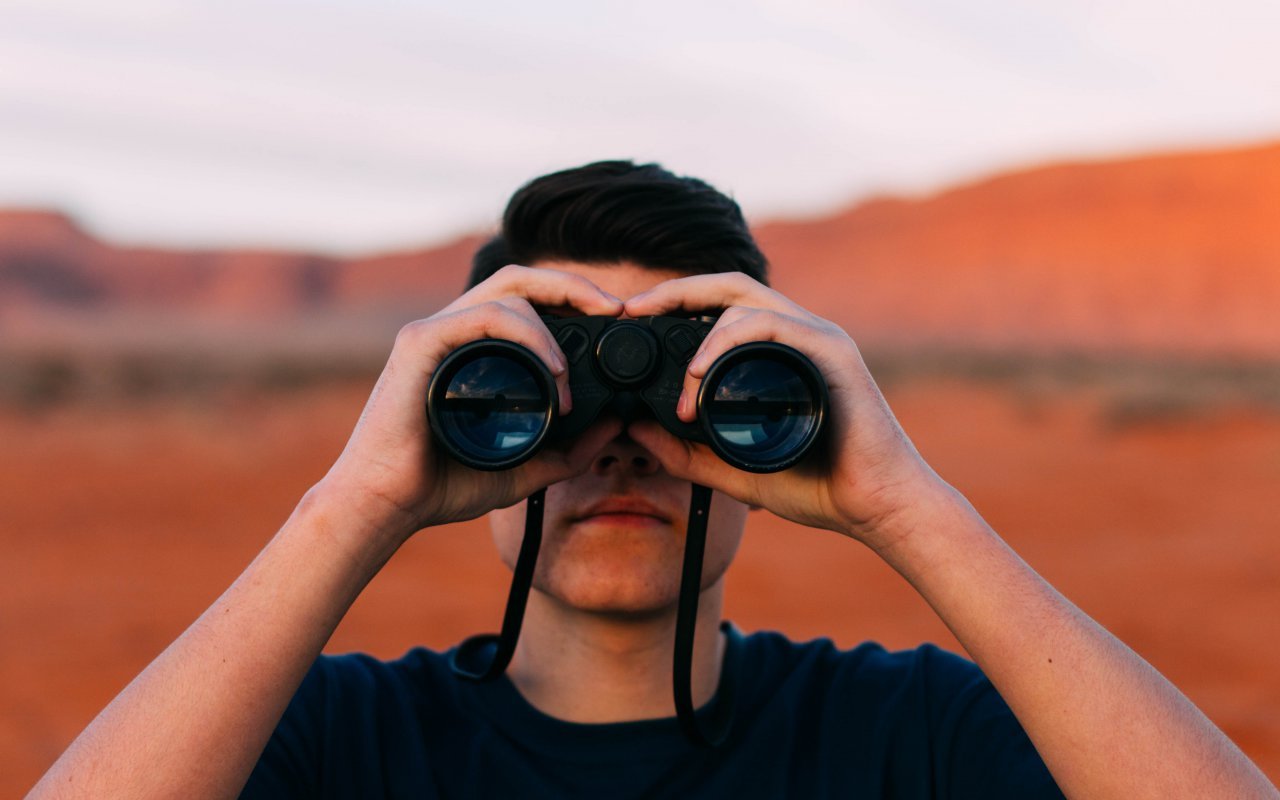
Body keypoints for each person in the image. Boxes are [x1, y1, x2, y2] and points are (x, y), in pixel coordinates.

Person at [30, 161, 1276, 799]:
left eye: (704, 395)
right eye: (537, 391)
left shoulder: (910, 731)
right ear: (443, 410)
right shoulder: (330, 735)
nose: (620, 441)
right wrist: (352, 501)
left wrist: (910, 505)